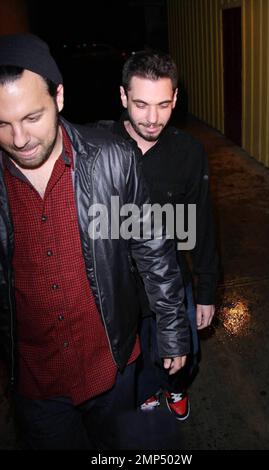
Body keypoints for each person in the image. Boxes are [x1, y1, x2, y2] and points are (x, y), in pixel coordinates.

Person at [0, 35, 191, 450]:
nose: (19, 138)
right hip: (36, 385)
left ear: (60, 97)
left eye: (33, 117)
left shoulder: (113, 159)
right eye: (1, 123)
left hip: (111, 369)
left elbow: (153, 248)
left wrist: (174, 331)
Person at [95, 50, 218, 421]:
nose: (152, 118)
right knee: (133, 356)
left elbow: (202, 223)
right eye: (141, 104)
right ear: (122, 97)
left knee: (183, 352)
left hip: (172, 281)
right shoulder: (97, 148)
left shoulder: (188, 151)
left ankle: (176, 389)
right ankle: (147, 391)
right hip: (119, 285)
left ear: (176, 99)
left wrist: (206, 292)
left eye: (163, 105)